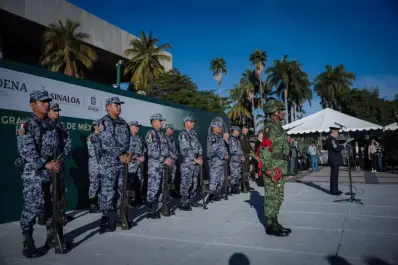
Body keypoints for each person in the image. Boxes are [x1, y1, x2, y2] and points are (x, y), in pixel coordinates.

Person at [15, 89, 60, 258]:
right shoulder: (25, 124)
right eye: (43, 102)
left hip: (50, 172)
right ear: (33, 105)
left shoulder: (51, 125)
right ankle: (28, 241)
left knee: (50, 207)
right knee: (32, 208)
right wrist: (45, 164)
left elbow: (57, 148)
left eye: (48, 101)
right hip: (34, 174)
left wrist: (56, 162)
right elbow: (27, 151)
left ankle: (51, 237)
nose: (47, 104)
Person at [98, 97, 133, 233]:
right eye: (116, 105)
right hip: (109, 163)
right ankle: (106, 219)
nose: (119, 107)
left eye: (119, 105)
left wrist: (129, 154)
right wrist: (120, 155)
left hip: (122, 163)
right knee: (108, 192)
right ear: (108, 107)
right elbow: (107, 141)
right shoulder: (104, 122)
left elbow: (131, 140)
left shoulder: (123, 123)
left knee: (121, 190)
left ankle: (120, 217)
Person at [259, 99, 291, 237]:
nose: (284, 113)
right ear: (274, 112)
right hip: (272, 168)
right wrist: (267, 168)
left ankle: (275, 222)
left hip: (279, 167)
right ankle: (270, 226)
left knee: (278, 197)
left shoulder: (279, 128)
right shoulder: (269, 128)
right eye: (281, 110)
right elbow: (265, 148)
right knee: (272, 197)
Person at [145, 114, 172, 218]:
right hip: (155, 165)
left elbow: (166, 149)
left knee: (162, 186)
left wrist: (168, 157)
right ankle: (151, 209)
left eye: (162, 120)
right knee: (153, 187)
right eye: (160, 120)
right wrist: (163, 159)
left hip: (163, 165)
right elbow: (151, 151)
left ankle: (160, 207)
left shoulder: (161, 134)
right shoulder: (150, 134)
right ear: (153, 121)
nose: (161, 122)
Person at [178, 116, 203, 210]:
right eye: (191, 122)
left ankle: (191, 200)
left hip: (196, 162)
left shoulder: (194, 134)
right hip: (187, 163)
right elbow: (186, 149)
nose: (193, 123)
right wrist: (194, 159)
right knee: (186, 182)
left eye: (193, 122)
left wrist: (200, 155)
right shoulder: (183, 134)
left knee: (194, 182)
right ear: (186, 123)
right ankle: (183, 202)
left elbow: (199, 145)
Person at [208, 120, 228, 202]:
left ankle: (217, 193)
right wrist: (224, 155)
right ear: (214, 127)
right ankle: (211, 194)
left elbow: (223, 148)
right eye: (219, 127)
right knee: (215, 178)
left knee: (221, 178)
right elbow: (215, 148)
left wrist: (225, 154)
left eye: (221, 127)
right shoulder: (213, 137)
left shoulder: (219, 137)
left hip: (221, 161)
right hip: (216, 161)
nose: (221, 128)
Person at [127, 121, 146, 206]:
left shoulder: (140, 138)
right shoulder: (127, 138)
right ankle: (129, 199)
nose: (138, 128)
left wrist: (143, 156)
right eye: (136, 126)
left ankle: (138, 197)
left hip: (139, 164)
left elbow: (144, 149)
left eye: (138, 126)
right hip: (131, 163)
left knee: (139, 180)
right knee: (130, 181)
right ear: (130, 127)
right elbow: (126, 152)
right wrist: (137, 157)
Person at [87, 120, 101, 213]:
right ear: (95, 126)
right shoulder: (90, 138)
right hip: (94, 164)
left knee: (103, 185)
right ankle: (92, 204)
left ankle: (101, 203)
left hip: (103, 165)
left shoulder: (103, 137)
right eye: (98, 125)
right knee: (94, 184)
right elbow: (91, 152)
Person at [326, 127, 344, 195]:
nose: (338, 133)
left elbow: (336, 147)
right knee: (334, 176)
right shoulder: (331, 139)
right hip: (334, 160)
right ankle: (334, 190)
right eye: (337, 132)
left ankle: (335, 189)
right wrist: (343, 146)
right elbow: (336, 148)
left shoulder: (333, 139)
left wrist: (341, 146)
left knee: (335, 176)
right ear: (333, 131)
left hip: (335, 159)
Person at [228, 126, 245, 194]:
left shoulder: (236, 139)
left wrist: (242, 156)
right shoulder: (232, 139)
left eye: (239, 131)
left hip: (238, 159)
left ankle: (235, 187)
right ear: (234, 131)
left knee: (238, 174)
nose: (238, 132)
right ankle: (233, 187)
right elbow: (234, 150)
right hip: (234, 159)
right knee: (234, 174)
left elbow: (240, 149)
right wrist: (241, 156)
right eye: (237, 131)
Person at [164, 124, 178, 195]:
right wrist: (172, 156)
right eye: (171, 129)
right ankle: (166, 192)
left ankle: (171, 191)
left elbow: (175, 149)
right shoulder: (163, 138)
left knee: (173, 177)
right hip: (167, 161)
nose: (173, 130)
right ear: (167, 129)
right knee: (167, 177)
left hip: (173, 161)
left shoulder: (172, 139)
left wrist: (176, 155)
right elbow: (165, 150)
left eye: (173, 129)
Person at [240, 125, 252, 191]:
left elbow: (249, 146)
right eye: (246, 128)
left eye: (247, 128)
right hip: (244, 155)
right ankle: (244, 186)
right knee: (244, 171)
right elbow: (244, 146)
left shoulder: (246, 136)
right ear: (243, 129)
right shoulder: (242, 136)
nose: (247, 129)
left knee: (247, 171)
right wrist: (250, 150)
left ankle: (247, 185)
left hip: (247, 155)